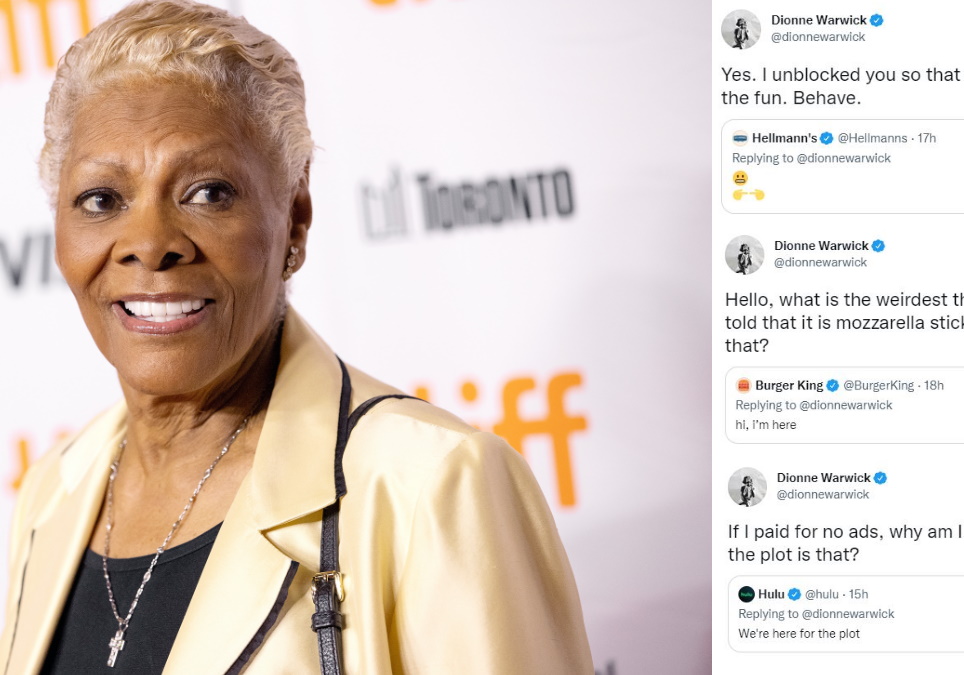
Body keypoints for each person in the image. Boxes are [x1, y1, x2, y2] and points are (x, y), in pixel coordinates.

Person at [0, 2, 592, 673]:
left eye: (207, 192)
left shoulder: (431, 484)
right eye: (102, 199)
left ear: (296, 219)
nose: (150, 243)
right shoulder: (52, 492)